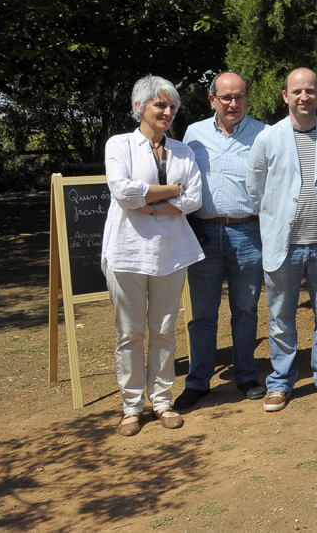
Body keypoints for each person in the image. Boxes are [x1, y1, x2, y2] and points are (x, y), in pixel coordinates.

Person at [102, 76, 204, 435]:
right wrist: (172, 190)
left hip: (170, 253)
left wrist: (151, 203)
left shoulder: (183, 151)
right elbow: (123, 191)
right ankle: (132, 407)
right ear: (139, 107)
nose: (167, 111)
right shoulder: (119, 145)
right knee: (130, 333)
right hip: (127, 252)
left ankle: (161, 401)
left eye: (172, 106)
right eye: (160, 104)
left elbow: (194, 199)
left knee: (163, 331)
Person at [246, 68, 317, 412]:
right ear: (285, 96)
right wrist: (274, 220)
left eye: (310, 90)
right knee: (280, 317)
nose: (304, 96)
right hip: (283, 245)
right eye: (297, 91)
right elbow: (254, 189)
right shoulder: (267, 138)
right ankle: (280, 381)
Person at [176, 72, 267, 409]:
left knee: (245, 310)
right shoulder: (193, 135)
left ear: (247, 99)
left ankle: (245, 375)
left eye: (239, 96)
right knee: (202, 314)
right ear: (212, 99)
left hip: (248, 232)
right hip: (203, 233)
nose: (233, 103)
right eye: (226, 97)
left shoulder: (264, 134)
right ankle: (198, 381)